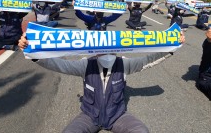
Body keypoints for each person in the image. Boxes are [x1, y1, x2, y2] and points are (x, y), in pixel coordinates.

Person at [18, 33, 185, 133]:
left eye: (110, 49)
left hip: (118, 116)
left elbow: (148, 60)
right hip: (89, 116)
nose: (105, 54)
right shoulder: (85, 65)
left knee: (142, 131)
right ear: (93, 50)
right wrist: (33, 53)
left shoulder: (124, 64)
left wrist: (172, 46)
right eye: (100, 50)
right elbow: (60, 65)